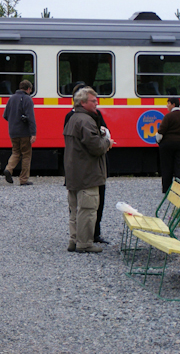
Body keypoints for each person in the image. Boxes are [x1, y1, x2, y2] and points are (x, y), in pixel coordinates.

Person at [63, 87, 113, 253]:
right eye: (93, 101)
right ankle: (84, 243)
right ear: (83, 102)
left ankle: (74, 240)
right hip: (87, 172)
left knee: (75, 210)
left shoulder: (73, 118)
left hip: (74, 172)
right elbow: (96, 147)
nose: (97, 103)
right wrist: (107, 142)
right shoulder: (86, 121)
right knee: (88, 209)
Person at [2, 79, 37, 186]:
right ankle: (23, 179)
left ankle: (9, 169)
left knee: (16, 152)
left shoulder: (11, 98)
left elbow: (5, 115)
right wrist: (33, 133)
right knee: (26, 154)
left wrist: (14, 122)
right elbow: (31, 118)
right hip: (24, 132)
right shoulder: (27, 99)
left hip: (12, 131)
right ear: (28, 89)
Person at [156, 97, 180, 194]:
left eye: (168, 103)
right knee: (179, 167)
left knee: (167, 167)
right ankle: (179, 190)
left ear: (173, 104)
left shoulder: (168, 117)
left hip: (168, 144)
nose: (167, 106)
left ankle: (167, 190)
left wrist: (159, 141)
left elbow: (161, 132)